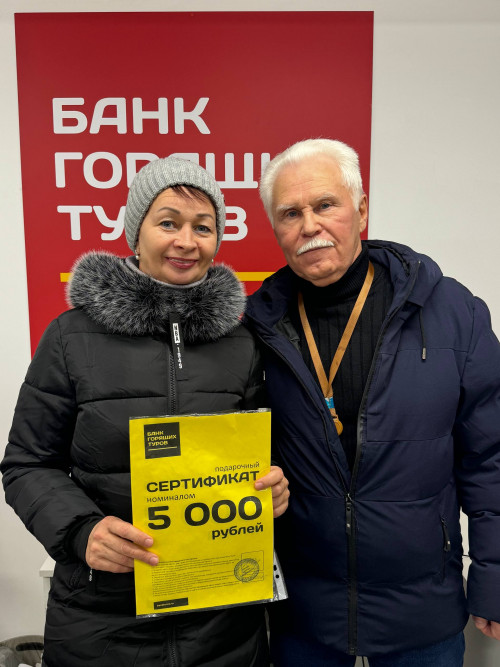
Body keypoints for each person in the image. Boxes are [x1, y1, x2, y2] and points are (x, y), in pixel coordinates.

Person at [1, 156, 289, 667]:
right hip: (101, 620)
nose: (186, 241)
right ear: (136, 233)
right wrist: (81, 530)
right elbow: (26, 464)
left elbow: (262, 451)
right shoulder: (70, 337)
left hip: (223, 625)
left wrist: (273, 486)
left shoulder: (242, 342)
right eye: (168, 223)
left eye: (203, 227)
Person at [243, 138, 500, 666]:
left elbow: (491, 457)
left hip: (421, 613)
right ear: (275, 228)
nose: (309, 225)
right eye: (290, 213)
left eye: (325, 204)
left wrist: (495, 575)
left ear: (361, 210)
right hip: (305, 615)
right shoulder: (255, 326)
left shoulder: (453, 313)